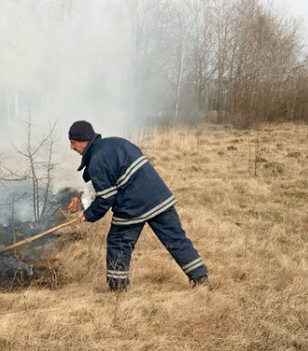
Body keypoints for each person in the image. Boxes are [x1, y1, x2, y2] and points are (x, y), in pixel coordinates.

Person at [69, 120, 210, 291]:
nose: (72, 147)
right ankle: (200, 278)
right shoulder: (117, 142)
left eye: (73, 142)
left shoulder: (97, 160)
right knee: (175, 238)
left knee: (119, 241)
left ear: (83, 140)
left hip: (133, 204)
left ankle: (117, 290)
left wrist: (89, 215)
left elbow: (106, 197)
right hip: (159, 196)